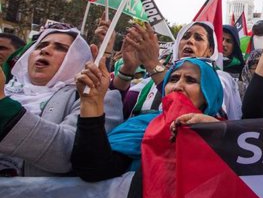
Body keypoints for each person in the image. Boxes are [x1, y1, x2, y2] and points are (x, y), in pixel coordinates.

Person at [72, 57, 224, 180]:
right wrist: (92, 103)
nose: (178, 86)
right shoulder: (140, 126)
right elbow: (94, 169)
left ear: (209, 93)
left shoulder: (226, 134)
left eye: (190, 80)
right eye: (173, 79)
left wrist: (215, 134)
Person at [0, 27, 122, 176]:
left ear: (78, 60)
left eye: (61, 48)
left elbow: (69, 155)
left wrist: (4, 109)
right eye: (40, 45)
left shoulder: (97, 96)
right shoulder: (6, 87)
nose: (45, 50)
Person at [115, 21, 241, 120]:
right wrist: (128, 69)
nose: (190, 41)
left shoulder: (220, 79)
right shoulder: (147, 83)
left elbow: (205, 118)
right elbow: (114, 109)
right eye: (185, 37)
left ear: (210, 50)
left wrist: (152, 63)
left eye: (198, 38)